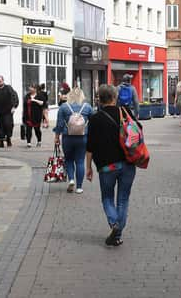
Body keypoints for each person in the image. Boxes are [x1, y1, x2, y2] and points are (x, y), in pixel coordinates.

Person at [86, 85, 138, 247]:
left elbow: (90, 146)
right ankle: (117, 234)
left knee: (107, 198)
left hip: (107, 167)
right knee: (123, 199)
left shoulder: (94, 119)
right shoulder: (125, 113)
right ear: (115, 97)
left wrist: (88, 167)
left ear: (99, 99)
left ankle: (114, 225)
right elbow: (137, 132)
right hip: (128, 164)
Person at [54, 87, 93, 194]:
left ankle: (71, 179)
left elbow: (59, 124)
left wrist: (57, 137)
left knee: (69, 159)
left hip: (68, 137)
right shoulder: (87, 107)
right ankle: (79, 187)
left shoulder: (63, 107)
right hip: (83, 137)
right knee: (80, 161)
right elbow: (93, 122)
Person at [0, 75, 18, 148]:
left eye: (0, 81)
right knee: (0, 127)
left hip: (7, 112)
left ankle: (8, 139)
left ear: (3, 81)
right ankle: (1, 142)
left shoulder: (8, 88)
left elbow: (14, 97)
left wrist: (14, 107)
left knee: (8, 125)